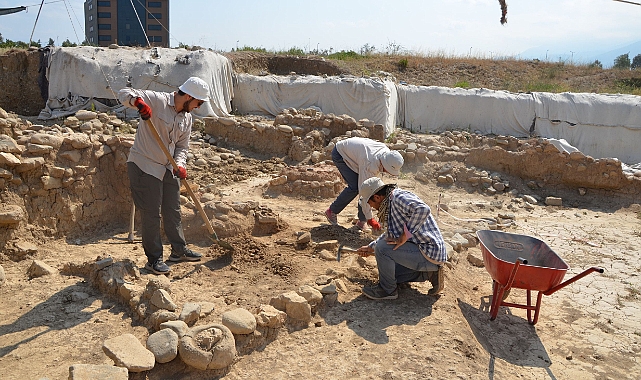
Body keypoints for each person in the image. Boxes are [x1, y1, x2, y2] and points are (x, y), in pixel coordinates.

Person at [119, 77, 210, 275]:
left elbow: (182, 147)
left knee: (173, 210)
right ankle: (154, 259)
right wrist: (138, 103)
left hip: (168, 168)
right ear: (188, 96)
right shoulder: (157, 100)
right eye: (198, 103)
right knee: (151, 213)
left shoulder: (186, 118)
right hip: (145, 164)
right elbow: (124, 94)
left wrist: (180, 164)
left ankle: (178, 250)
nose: (198, 107)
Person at [356, 177, 447, 300]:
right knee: (389, 275)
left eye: (370, 203)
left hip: (429, 251)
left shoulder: (398, 197)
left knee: (382, 248)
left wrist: (404, 236)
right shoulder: (389, 204)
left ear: (377, 197)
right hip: (424, 253)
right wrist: (370, 247)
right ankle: (430, 273)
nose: (371, 206)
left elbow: (422, 209)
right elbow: (390, 235)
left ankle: (388, 291)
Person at [324, 137, 404, 232]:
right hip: (341, 154)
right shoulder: (370, 164)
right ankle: (332, 211)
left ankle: (362, 221)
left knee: (364, 187)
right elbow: (365, 193)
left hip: (357, 156)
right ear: (385, 165)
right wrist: (370, 219)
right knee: (355, 188)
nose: (389, 173)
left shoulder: (386, 155)